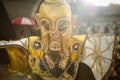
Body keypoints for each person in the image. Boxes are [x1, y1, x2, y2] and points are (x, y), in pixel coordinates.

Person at [0, 0, 120, 80]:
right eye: (47, 26)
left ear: (73, 22)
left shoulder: (89, 49)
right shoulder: (27, 49)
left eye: (62, 25)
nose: (54, 34)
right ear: (38, 22)